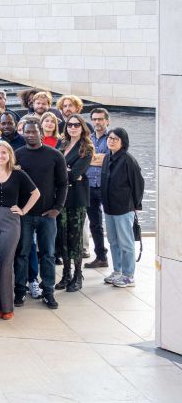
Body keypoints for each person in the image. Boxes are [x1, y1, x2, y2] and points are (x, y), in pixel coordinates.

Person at [0, 141, 39, 319]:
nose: (0, 156)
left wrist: (24, 210)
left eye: (3, 153)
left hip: (10, 220)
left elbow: (36, 193)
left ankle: (7, 307)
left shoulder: (18, 174)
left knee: (5, 262)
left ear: (9, 154)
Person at [15, 120, 68, 309]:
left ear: (41, 133)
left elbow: (63, 184)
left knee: (48, 255)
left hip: (47, 215)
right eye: (27, 132)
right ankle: (20, 291)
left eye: (33, 132)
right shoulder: (17, 155)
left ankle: (48, 292)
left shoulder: (55, 155)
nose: (30, 135)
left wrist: (57, 208)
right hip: (25, 215)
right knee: (22, 253)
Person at [100, 128, 145, 289]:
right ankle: (117, 271)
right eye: (110, 138)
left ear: (123, 142)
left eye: (116, 139)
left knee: (126, 243)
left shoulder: (128, 160)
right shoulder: (107, 157)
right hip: (109, 208)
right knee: (113, 241)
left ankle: (128, 275)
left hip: (124, 208)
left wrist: (136, 205)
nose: (111, 141)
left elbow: (138, 184)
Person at [55, 114, 94, 292]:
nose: (72, 127)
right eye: (70, 125)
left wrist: (67, 173)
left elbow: (75, 173)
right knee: (62, 236)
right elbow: (57, 170)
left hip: (77, 198)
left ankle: (78, 275)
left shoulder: (87, 148)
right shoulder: (61, 144)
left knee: (75, 238)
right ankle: (66, 274)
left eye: (76, 125)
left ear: (82, 127)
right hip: (61, 197)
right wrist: (67, 172)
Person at [85, 108, 111, 269]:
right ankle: (101, 257)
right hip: (89, 186)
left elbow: (109, 160)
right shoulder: (88, 139)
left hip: (106, 186)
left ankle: (121, 262)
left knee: (113, 223)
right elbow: (84, 158)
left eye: (100, 119)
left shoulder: (112, 138)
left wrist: (93, 159)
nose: (97, 122)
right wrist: (96, 158)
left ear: (107, 121)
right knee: (95, 224)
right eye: (94, 119)